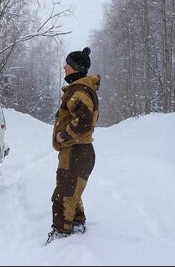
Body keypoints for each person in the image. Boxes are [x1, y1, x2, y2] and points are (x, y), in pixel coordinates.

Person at [46, 47, 101, 245]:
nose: (64, 67)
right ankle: (77, 225)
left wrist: (63, 135)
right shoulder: (81, 89)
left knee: (63, 195)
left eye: (67, 64)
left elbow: (84, 122)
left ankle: (61, 236)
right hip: (79, 151)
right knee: (72, 192)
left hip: (76, 151)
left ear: (75, 68)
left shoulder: (78, 91)